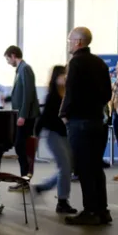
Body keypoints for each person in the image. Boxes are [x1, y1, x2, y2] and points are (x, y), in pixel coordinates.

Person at [60, 27, 113, 226]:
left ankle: (90, 211)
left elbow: (71, 91)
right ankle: (102, 210)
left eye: (70, 40)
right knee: (96, 167)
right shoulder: (100, 63)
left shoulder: (75, 62)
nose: (68, 43)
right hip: (97, 121)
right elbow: (107, 94)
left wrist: (64, 114)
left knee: (83, 167)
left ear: (79, 42)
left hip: (79, 121)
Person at [34, 65, 76, 214]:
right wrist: (36, 135)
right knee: (65, 167)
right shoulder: (52, 96)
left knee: (69, 167)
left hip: (65, 135)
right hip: (54, 135)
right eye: (62, 74)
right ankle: (62, 201)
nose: (65, 77)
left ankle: (43, 187)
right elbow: (44, 117)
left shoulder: (68, 94)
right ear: (56, 77)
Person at [4, 45, 39, 181]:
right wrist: (7, 98)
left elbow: (28, 93)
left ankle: (24, 178)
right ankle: (24, 179)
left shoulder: (25, 69)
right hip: (23, 115)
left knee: (20, 146)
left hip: (26, 116)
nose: (8, 62)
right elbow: (20, 93)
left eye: (8, 59)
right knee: (20, 146)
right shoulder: (20, 70)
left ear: (13, 55)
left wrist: (22, 115)